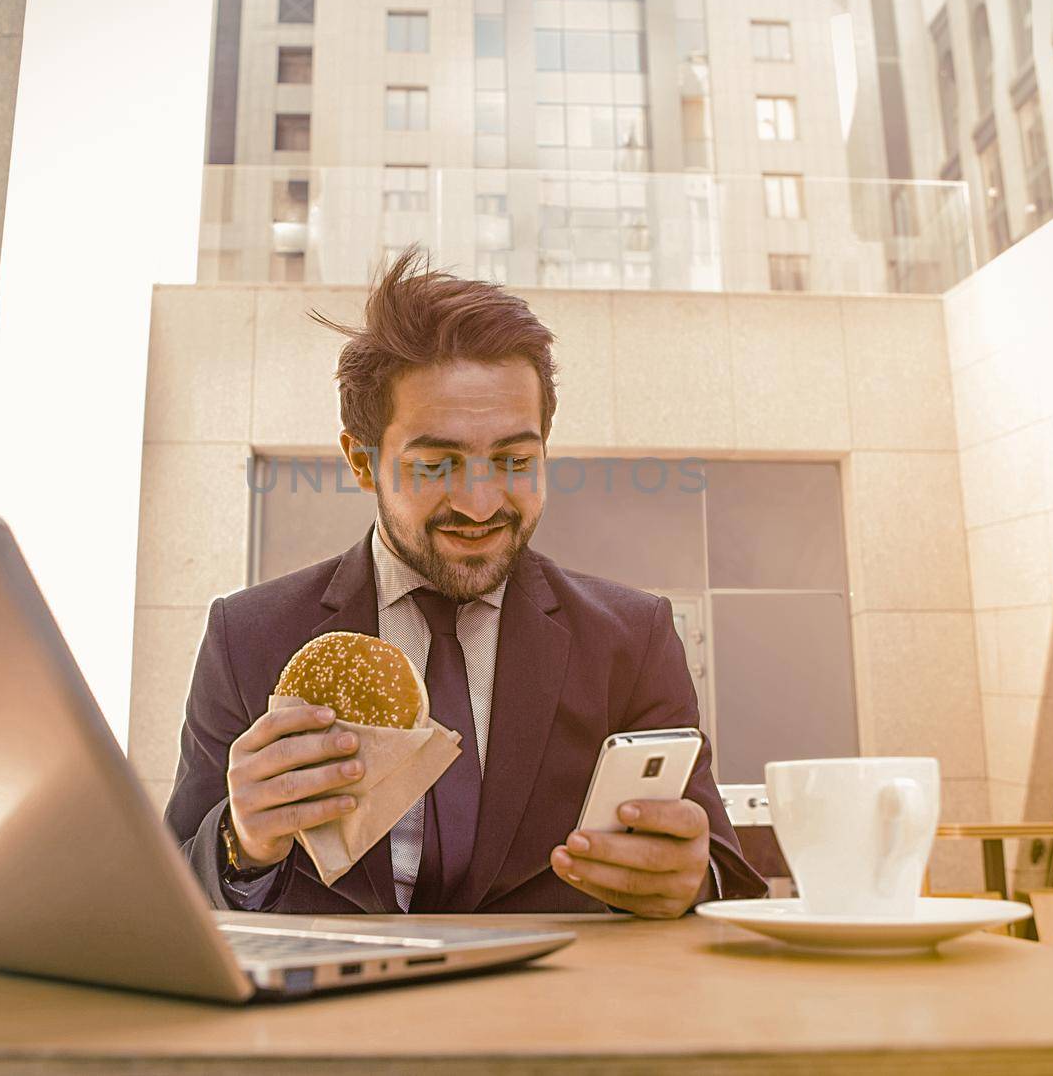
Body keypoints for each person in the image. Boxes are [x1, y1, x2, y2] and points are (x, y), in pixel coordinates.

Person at [164, 248, 765, 915]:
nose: (480, 505)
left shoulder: (632, 638)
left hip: (555, 1011)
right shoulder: (246, 637)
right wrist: (240, 841)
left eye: (513, 460)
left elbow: (718, 864)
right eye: (435, 465)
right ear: (361, 463)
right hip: (331, 1016)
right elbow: (166, 895)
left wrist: (692, 880)